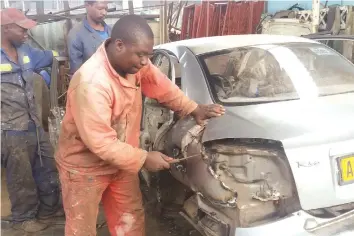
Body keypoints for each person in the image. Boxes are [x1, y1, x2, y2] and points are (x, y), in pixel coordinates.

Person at [56, 15, 225, 236]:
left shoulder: (134, 63)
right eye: (141, 55)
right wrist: (144, 158)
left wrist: (192, 108)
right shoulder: (92, 83)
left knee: (130, 219)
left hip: (123, 160)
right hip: (84, 167)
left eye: (149, 55)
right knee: (81, 227)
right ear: (119, 45)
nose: (145, 62)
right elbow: (102, 144)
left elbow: (159, 84)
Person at [0, 8, 63, 232]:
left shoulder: (26, 51)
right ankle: (23, 218)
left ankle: (49, 210)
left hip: (34, 125)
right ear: (7, 28)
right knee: (21, 176)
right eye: (22, 29)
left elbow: (47, 56)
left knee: (47, 167)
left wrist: (59, 54)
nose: (27, 33)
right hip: (10, 130)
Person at [67, 0, 111, 74]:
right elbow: (77, 73)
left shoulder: (111, 31)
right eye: (100, 9)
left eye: (106, 9)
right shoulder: (76, 34)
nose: (104, 13)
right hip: (91, 83)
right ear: (87, 6)